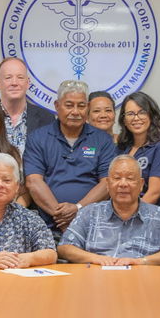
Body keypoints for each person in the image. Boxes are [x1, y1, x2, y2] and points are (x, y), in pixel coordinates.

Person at [58, 155, 160, 266]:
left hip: (142, 282)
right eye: (117, 178)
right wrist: (95, 259)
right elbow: (65, 247)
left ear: (141, 184)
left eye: (130, 178)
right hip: (97, 282)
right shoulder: (90, 213)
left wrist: (142, 261)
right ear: (108, 184)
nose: (123, 184)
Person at [25, 81, 115, 234]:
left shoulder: (103, 140)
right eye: (69, 105)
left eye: (81, 106)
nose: (75, 111)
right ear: (57, 105)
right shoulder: (38, 138)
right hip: (49, 227)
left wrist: (78, 209)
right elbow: (33, 182)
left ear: (87, 108)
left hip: (93, 226)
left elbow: (107, 183)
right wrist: (61, 216)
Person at [115, 92, 160, 206]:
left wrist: (131, 215)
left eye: (142, 112)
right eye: (130, 114)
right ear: (124, 120)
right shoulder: (120, 149)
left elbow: (154, 193)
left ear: (151, 116)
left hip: (146, 214)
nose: (136, 118)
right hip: (119, 213)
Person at [0, 56, 54, 154]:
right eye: (8, 78)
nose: (14, 83)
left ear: (28, 83)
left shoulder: (46, 119)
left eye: (20, 77)